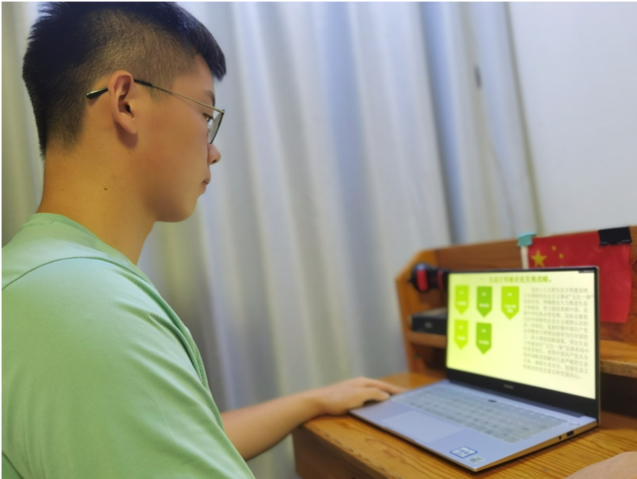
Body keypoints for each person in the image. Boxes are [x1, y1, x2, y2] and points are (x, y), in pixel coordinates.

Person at [0, 2, 402, 478]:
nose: (213, 152)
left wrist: (311, 401)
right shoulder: (86, 309)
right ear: (126, 102)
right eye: (205, 114)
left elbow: (161, 440)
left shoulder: (38, 278)